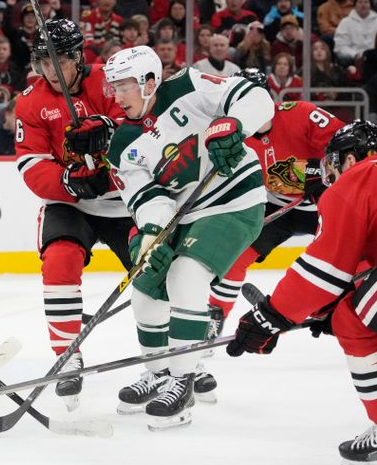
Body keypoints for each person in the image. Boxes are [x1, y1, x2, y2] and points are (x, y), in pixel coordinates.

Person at [225, 120, 377, 465]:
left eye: (332, 162)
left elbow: (323, 269)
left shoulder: (356, 178)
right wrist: (323, 307)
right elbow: (365, 272)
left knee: (354, 321)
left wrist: (268, 317)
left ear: (347, 160)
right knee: (353, 310)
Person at [103, 47, 273, 430]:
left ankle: (184, 380)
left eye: (124, 86)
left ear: (149, 82)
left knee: (185, 275)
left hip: (234, 200)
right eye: (112, 87)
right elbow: (145, 198)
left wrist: (234, 125)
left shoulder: (188, 85)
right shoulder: (122, 143)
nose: (117, 96)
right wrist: (150, 237)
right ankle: (160, 374)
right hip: (182, 216)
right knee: (145, 289)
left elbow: (255, 97)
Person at [13, 18, 132, 411]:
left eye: (60, 60)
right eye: (44, 61)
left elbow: (144, 129)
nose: (51, 70)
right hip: (71, 202)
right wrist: (69, 181)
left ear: (78, 57)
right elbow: (30, 164)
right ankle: (67, 355)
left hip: (127, 201)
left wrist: (110, 131)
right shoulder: (31, 102)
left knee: (158, 273)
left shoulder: (113, 80)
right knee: (59, 260)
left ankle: (173, 360)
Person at [208, 68, 345, 331]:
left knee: (354, 257)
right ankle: (213, 321)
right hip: (278, 206)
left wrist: (324, 171)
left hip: (326, 203)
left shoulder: (301, 113)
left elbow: (347, 143)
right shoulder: (234, 138)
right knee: (234, 254)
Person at [334, 0, 377, 67]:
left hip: (375, 58)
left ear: (370, 5)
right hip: (353, 59)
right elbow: (340, 46)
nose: (363, 5)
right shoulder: (345, 22)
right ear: (355, 5)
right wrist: (355, 55)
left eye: (366, 2)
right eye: (360, 2)